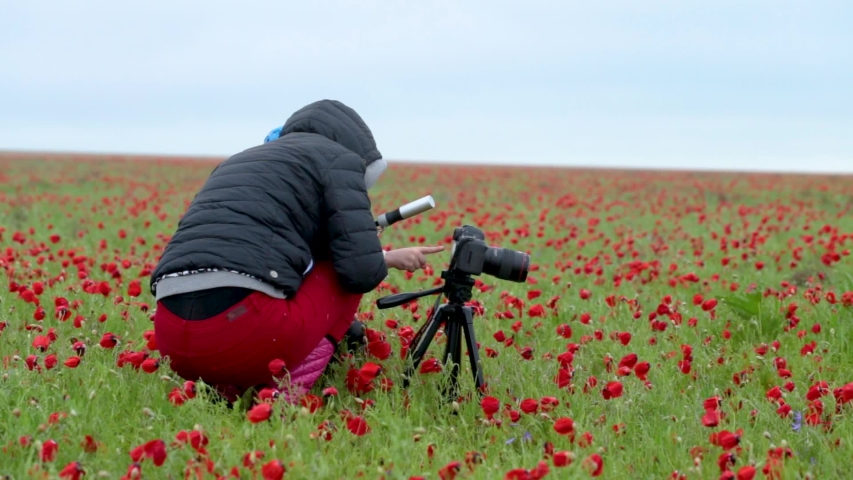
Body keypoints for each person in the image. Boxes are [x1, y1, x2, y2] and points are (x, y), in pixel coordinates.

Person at [149, 99, 444, 403]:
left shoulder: (237, 160)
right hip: (242, 334)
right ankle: (284, 395)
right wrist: (374, 251)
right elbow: (359, 271)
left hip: (173, 341)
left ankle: (227, 389)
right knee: (344, 277)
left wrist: (385, 256)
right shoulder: (338, 158)